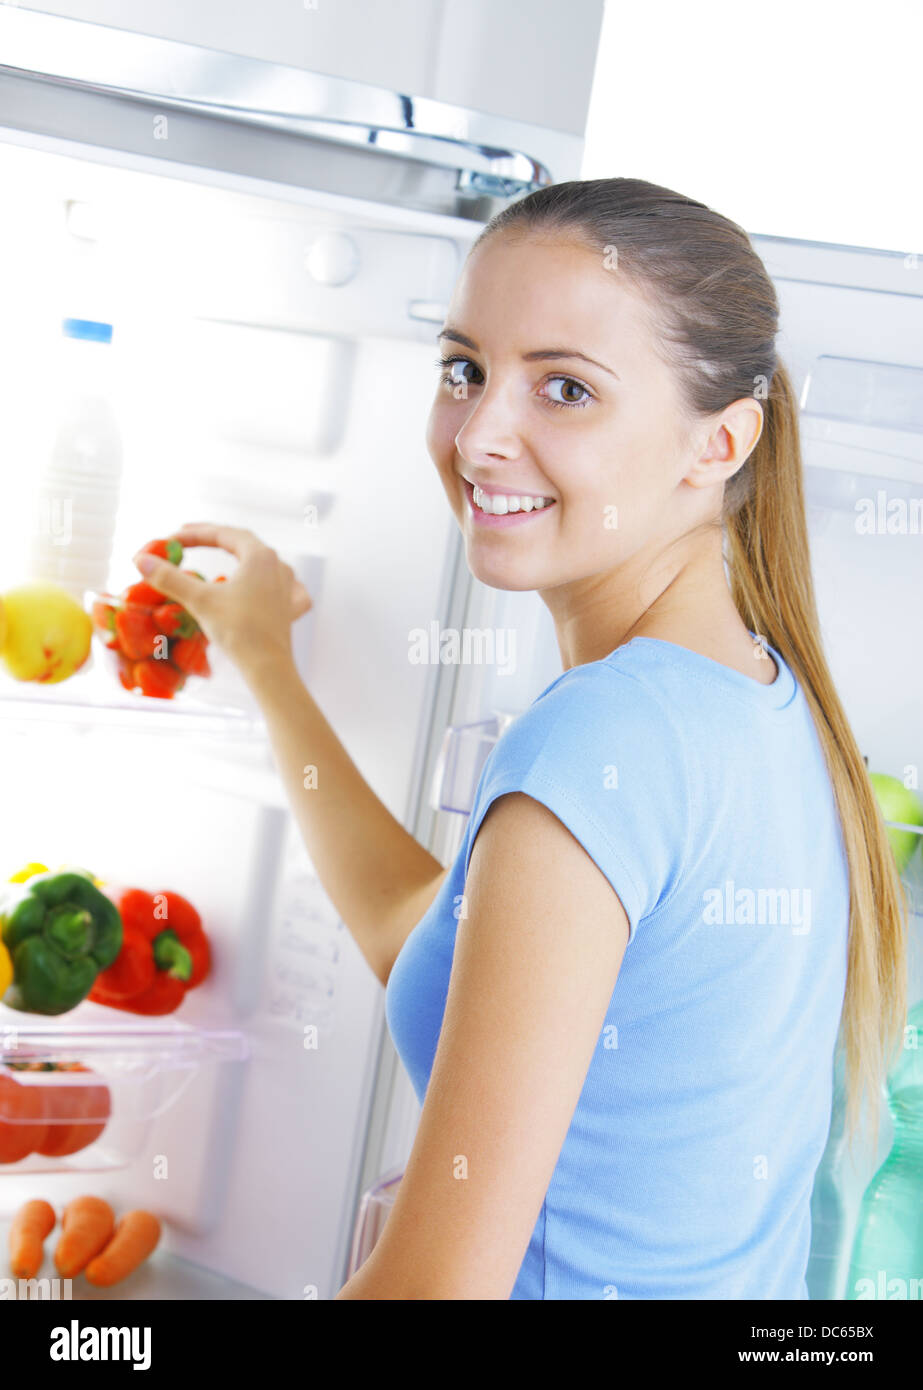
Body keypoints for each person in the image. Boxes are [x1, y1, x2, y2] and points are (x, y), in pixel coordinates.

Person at [137, 176, 908, 1301]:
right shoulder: (762, 700)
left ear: (718, 442)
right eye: (464, 370)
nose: (481, 435)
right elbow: (434, 947)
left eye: (564, 388)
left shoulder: (604, 733)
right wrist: (266, 665)